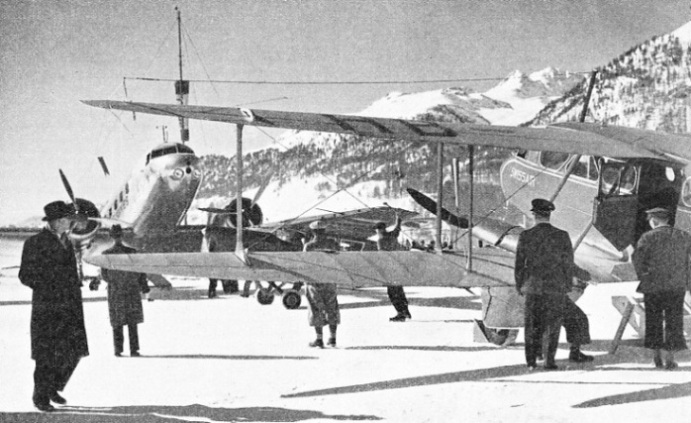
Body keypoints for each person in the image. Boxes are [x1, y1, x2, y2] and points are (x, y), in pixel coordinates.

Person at [19, 201, 89, 412]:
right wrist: (49, 287)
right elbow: (25, 275)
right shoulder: (34, 243)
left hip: (70, 306)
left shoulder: (67, 242)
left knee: (73, 352)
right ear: (57, 221)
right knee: (47, 355)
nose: (71, 223)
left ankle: (53, 387)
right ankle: (40, 397)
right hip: (48, 307)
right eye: (68, 219)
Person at [514, 198, 574, 371]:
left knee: (532, 324)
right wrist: (567, 284)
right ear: (549, 215)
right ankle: (549, 361)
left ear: (534, 215)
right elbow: (568, 264)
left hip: (532, 287)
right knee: (552, 325)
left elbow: (519, 263)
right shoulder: (562, 235)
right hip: (555, 287)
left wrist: (520, 285)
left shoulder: (526, 235)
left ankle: (531, 361)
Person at [632, 207, 691, 370]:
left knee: (654, 321)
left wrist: (644, 278)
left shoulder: (647, 237)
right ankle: (670, 359)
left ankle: (657, 358)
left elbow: (637, 261)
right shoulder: (684, 236)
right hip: (676, 287)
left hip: (653, 287)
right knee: (674, 321)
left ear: (654, 220)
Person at [100, 225, 150, 357]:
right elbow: (140, 272)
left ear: (111, 236)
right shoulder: (132, 252)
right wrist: (143, 286)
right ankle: (134, 349)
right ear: (122, 235)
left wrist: (115, 282)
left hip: (115, 291)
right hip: (131, 289)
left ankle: (118, 349)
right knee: (132, 322)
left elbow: (104, 275)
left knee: (117, 322)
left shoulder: (106, 254)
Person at [303, 220, 341, 348]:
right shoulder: (333, 244)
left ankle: (319, 340)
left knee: (315, 308)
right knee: (332, 307)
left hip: (314, 280)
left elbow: (305, 264)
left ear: (313, 231)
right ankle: (333, 338)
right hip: (330, 279)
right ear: (325, 230)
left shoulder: (309, 246)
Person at [374, 215, 412, 322]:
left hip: (389, 269)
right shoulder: (392, 235)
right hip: (398, 267)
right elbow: (397, 229)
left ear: (380, 229)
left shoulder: (381, 240)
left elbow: (382, 256)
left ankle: (401, 313)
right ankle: (405, 311)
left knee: (392, 292)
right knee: (399, 290)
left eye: (377, 230)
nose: (377, 232)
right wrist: (398, 219)